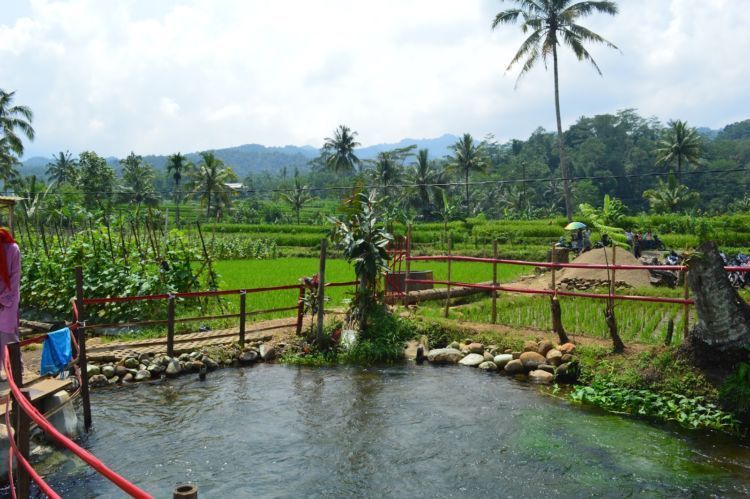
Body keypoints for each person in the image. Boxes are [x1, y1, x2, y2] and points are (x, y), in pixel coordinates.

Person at [0, 228, 21, 381]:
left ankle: (15, 371)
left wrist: (3, 299)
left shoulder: (12, 249)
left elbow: (14, 278)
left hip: (9, 298)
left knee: (8, 334)